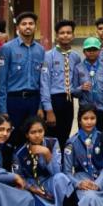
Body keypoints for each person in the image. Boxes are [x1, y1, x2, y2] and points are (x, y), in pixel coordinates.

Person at [13, 116, 74, 206]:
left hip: (49, 182)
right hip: (33, 187)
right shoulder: (19, 153)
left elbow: (57, 172)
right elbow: (18, 178)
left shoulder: (52, 142)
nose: (37, 135)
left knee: (61, 178)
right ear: (27, 135)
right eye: (33, 132)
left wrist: (47, 154)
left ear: (44, 131)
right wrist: (32, 188)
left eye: (40, 131)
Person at [0, 12, 45, 147]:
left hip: (33, 101)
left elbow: (42, 82)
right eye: (24, 24)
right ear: (18, 27)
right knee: (12, 138)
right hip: (14, 101)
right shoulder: (7, 48)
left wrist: (40, 106)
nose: (27, 27)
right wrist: (2, 109)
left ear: (35, 26)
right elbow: (1, 82)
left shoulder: (40, 50)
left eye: (31, 24)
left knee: (33, 138)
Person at [41, 19, 81, 149]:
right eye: (62, 33)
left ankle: (63, 161)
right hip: (54, 101)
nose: (65, 35)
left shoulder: (75, 57)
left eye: (68, 33)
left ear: (73, 35)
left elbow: (76, 82)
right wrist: (49, 110)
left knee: (65, 136)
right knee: (51, 138)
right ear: (57, 36)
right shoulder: (49, 56)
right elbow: (45, 83)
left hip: (68, 101)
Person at [74, 37, 103, 131]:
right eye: (88, 50)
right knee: (85, 136)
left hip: (102, 110)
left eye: (94, 49)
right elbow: (73, 92)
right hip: (85, 111)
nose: (91, 52)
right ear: (84, 52)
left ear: (99, 51)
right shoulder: (78, 68)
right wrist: (81, 88)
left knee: (100, 136)